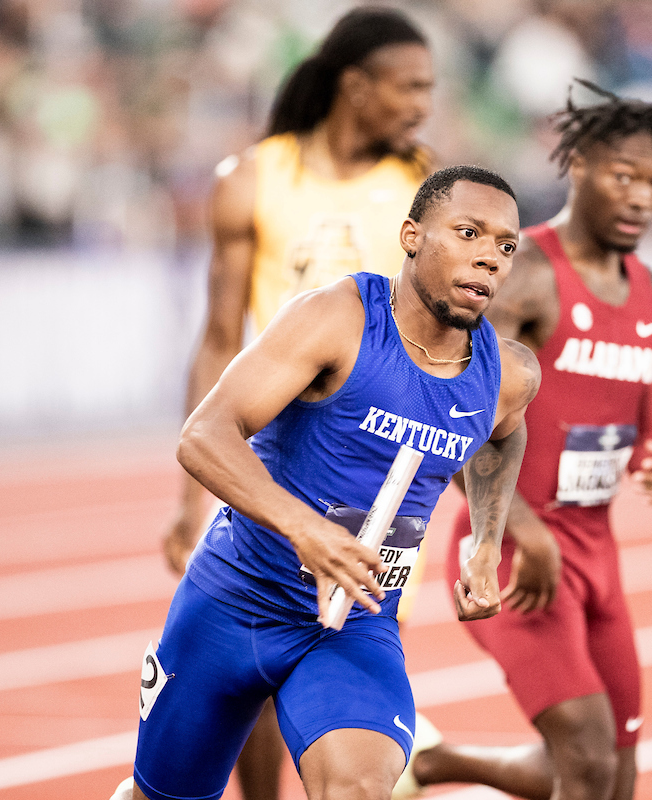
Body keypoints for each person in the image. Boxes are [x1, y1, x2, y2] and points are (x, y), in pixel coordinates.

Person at [110, 165, 540, 800]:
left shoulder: (508, 374)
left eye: (505, 246)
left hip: (354, 625)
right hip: (233, 602)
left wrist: (485, 539)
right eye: (469, 233)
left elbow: (503, 438)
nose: (488, 260)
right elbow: (204, 436)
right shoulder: (336, 319)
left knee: (360, 790)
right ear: (411, 235)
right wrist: (306, 530)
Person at [393, 82, 652, 800]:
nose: (640, 197)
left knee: (615, 775)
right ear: (581, 169)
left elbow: (648, 433)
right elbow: (452, 417)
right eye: (622, 176)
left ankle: (436, 764)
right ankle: (436, 763)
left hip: (598, 557)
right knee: (589, 760)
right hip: (513, 550)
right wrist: (523, 532)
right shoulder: (526, 276)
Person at [161, 8, 435, 798]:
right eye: (409, 86)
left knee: (352, 653)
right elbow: (218, 338)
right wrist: (190, 500)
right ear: (356, 86)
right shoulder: (252, 179)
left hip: (371, 467)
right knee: (238, 674)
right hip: (264, 456)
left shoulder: (422, 184)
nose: (423, 103)